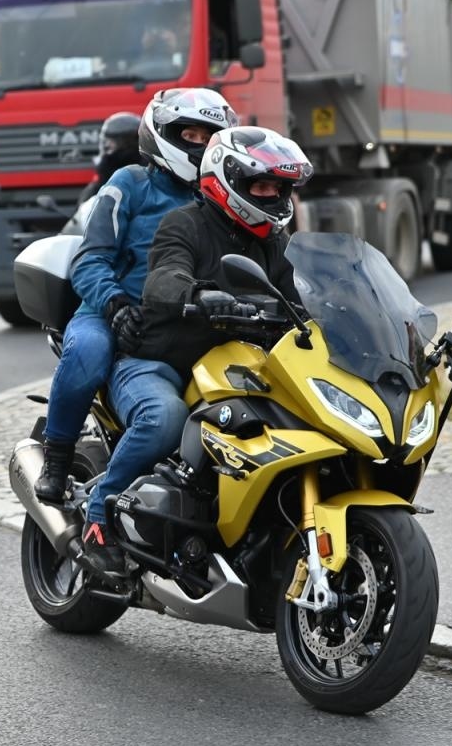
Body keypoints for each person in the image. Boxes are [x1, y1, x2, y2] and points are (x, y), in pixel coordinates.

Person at [80, 125, 312, 580]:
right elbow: (163, 277)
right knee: (163, 417)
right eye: (260, 186)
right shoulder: (183, 223)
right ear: (228, 180)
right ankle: (98, 516)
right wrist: (198, 295)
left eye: (278, 188)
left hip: (232, 368)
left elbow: (302, 295)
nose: (270, 196)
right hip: (158, 361)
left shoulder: (273, 243)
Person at [32, 88, 238, 524]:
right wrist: (115, 304)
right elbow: (90, 259)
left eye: (210, 136)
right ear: (163, 135)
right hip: (108, 311)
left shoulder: (219, 197)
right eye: (190, 134)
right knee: (88, 352)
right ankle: (57, 456)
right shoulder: (129, 183)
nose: (200, 145)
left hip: (184, 320)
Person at [77, 111, 142, 204]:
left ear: (125, 142)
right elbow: (83, 210)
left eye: (111, 141)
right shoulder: (102, 175)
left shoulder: (110, 170)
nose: (107, 145)